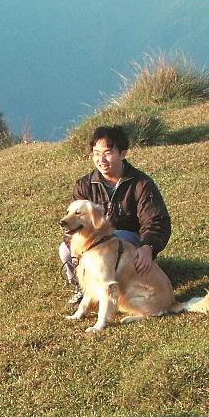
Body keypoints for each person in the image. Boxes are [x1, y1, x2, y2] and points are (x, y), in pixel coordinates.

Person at [59, 125, 171, 304]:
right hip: (93, 241)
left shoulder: (141, 183)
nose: (101, 159)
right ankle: (84, 288)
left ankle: (120, 289)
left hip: (129, 241)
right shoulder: (84, 185)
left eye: (108, 153)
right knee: (65, 251)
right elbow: (72, 223)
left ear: (123, 153)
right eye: (96, 153)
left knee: (114, 239)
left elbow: (156, 220)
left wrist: (148, 247)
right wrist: (74, 250)